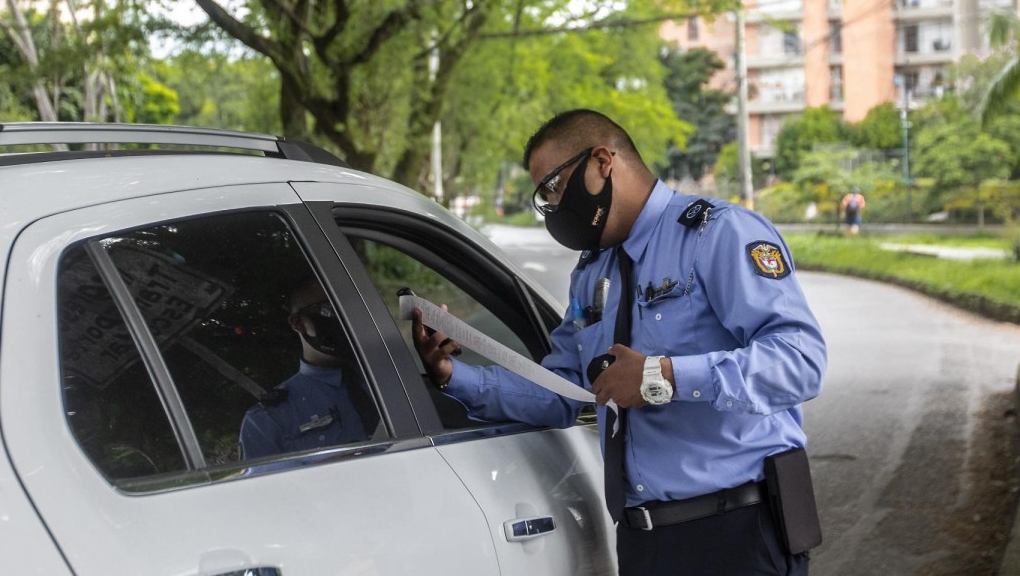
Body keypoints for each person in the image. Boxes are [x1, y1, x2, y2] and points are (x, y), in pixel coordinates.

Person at [412, 109, 826, 575]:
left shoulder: (717, 234)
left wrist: (662, 377)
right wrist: (452, 375)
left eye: (553, 185)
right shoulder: (592, 274)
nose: (550, 204)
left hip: (737, 534)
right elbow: (562, 391)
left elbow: (800, 361)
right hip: (641, 542)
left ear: (602, 162)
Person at [240, 279, 379, 459]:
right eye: (329, 310)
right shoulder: (268, 420)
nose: (345, 318)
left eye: (352, 308)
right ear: (298, 323)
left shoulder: (399, 377)